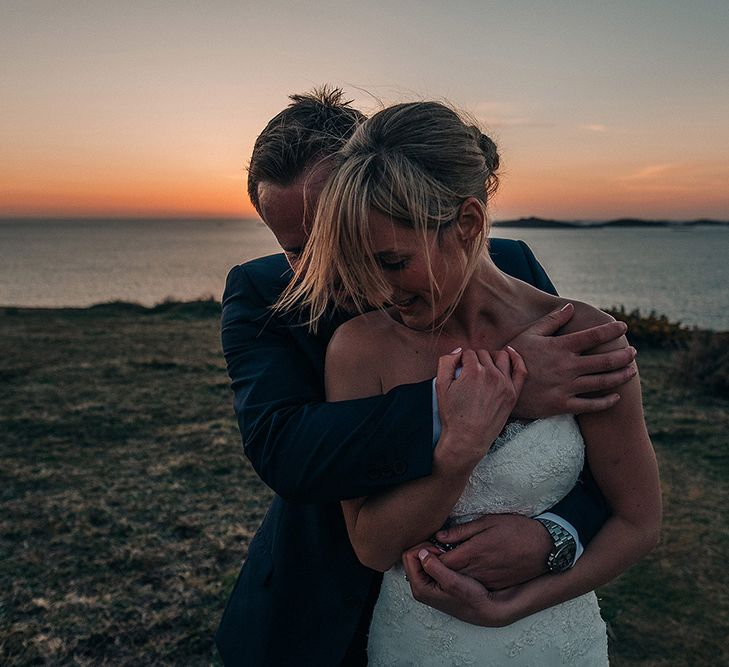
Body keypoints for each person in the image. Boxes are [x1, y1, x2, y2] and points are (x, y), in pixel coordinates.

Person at [215, 88, 637, 666]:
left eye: (342, 233)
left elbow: (587, 451)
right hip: (323, 609)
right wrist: (498, 394)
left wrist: (553, 535)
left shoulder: (508, 265)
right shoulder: (263, 295)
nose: (334, 265)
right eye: (299, 249)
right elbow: (283, 448)